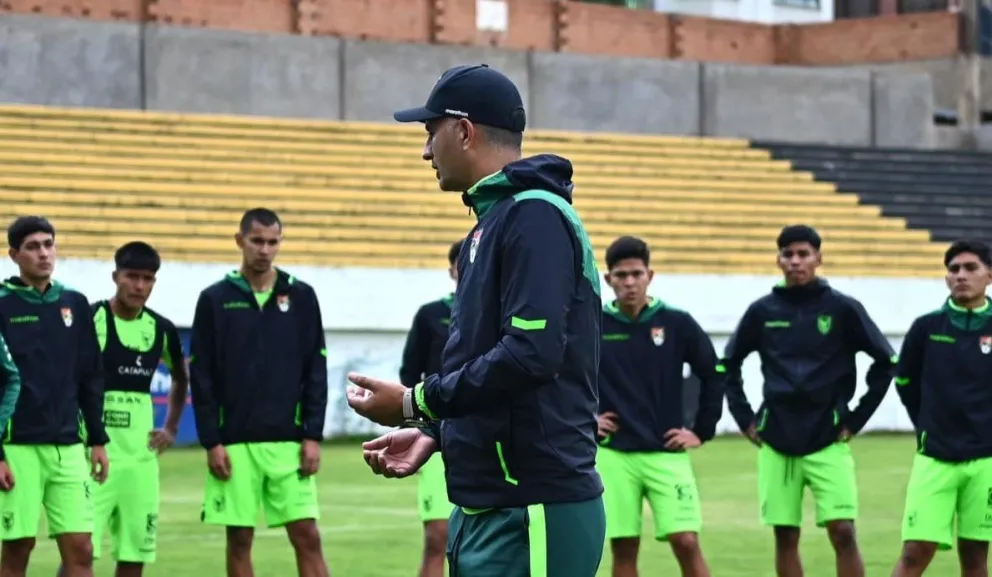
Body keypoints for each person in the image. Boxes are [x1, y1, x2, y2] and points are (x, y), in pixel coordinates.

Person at [345, 63, 607, 577]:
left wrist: (411, 402)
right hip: (490, 505)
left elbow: (530, 355)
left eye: (429, 132)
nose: (425, 151)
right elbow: (494, 371)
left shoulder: (535, 217)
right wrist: (437, 431)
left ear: (463, 131)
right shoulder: (493, 225)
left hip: (532, 505)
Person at [718, 224, 895, 577]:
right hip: (777, 438)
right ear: (778, 259)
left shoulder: (843, 308)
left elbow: (886, 361)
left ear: (819, 258)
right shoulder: (763, 310)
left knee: (843, 532)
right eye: (788, 255)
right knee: (785, 535)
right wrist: (745, 418)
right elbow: (728, 364)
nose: (795, 262)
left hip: (828, 438)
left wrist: (856, 418)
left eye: (803, 254)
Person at [189, 208, 330, 577]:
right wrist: (211, 442)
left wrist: (312, 434)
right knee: (239, 539)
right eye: (257, 241)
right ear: (240, 241)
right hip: (234, 442)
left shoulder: (301, 296)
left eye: (272, 242)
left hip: (289, 440)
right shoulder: (215, 299)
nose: (265, 250)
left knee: (307, 535)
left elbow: (315, 369)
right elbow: (201, 377)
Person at [595, 236, 722, 577]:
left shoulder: (677, 323)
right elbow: (565, 377)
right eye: (621, 275)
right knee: (623, 547)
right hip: (615, 455)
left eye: (636, 274)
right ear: (608, 280)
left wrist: (701, 431)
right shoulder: (594, 324)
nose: (630, 283)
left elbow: (713, 374)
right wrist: (586, 420)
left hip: (666, 452)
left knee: (686, 541)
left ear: (650, 275)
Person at [0, 216, 109, 577]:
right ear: (14, 255)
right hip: (17, 448)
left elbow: (90, 376)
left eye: (49, 244)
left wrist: (97, 439)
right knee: (18, 547)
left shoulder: (75, 304)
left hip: (67, 446)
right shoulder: (2, 305)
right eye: (33, 247)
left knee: (82, 548)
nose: (44, 254)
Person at [83, 241, 187, 577]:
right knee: (80, 552)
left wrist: (170, 427)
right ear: (116, 276)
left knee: (133, 554)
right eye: (132, 276)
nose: (140, 286)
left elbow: (182, 379)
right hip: (92, 457)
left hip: (141, 462)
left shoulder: (161, 329)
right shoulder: (91, 319)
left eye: (148, 278)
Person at [890, 239, 992, 577]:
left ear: (989, 275)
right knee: (914, 553)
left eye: (970, 268)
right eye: (953, 269)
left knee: (976, 557)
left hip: (986, 461)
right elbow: (905, 382)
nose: (961, 275)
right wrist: (927, 424)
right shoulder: (927, 327)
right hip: (935, 457)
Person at [398, 239, 462, 577]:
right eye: (460, 264)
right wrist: (416, 425)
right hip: (437, 439)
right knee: (438, 537)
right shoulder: (431, 315)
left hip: (486, 440)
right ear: (451, 270)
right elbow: (409, 374)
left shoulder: (500, 312)